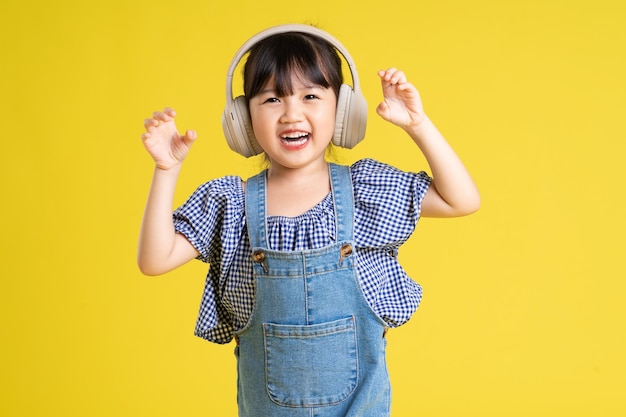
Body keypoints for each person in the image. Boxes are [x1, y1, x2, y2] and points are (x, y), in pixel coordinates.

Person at [138, 24, 479, 417]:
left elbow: (462, 200)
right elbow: (155, 259)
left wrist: (417, 125)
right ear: (242, 117)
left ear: (343, 110)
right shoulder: (232, 205)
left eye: (311, 95)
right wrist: (166, 170)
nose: (291, 114)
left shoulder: (364, 192)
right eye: (271, 99)